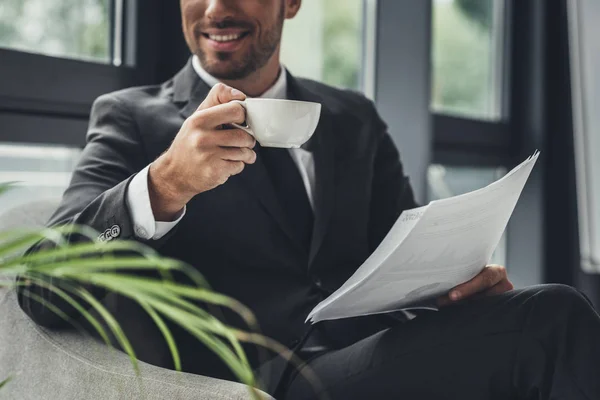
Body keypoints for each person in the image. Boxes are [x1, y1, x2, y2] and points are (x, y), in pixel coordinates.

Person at [18, 0, 600, 399]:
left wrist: (459, 285)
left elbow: (408, 250)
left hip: (378, 352)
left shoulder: (353, 118)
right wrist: (165, 183)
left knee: (524, 320)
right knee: (553, 317)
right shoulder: (133, 117)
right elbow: (41, 284)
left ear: (290, 2)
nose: (217, 9)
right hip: (259, 380)